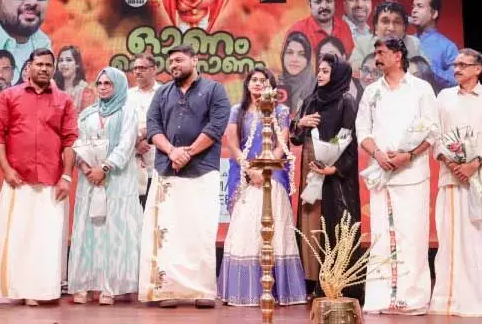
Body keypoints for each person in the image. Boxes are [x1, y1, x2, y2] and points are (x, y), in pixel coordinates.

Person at [138, 45, 231, 309]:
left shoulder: (215, 90)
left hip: (202, 171)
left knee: (200, 231)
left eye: (179, 60)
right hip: (167, 171)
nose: (174, 65)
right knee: (167, 233)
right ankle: (167, 290)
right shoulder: (162, 93)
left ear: (195, 60)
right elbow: (153, 126)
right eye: (171, 62)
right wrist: (172, 151)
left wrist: (188, 153)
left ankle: (202, 291)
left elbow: (216, 127)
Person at [355, 37, 439, 315]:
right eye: (375, 52)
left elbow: (433, 131)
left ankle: (412, 299)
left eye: (381, 52)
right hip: (381, 173)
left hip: (412, 173)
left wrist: (408, 155)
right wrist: (378, 154)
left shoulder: (421, 89)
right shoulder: (371, 91)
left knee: (412, 236)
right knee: (381, 236)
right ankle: (381, 298)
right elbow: (362, 131)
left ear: (398, 56)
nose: (376, 58)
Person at [0, 48, 78, 306]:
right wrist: (6, 170)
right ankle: (18, 289)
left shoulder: (64, 100)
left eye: (48, 65)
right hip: (18, 179)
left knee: (46, 239)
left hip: (51, 180)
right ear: (28, 67)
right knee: (18, 236)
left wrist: (66, 177)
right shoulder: (9, 96)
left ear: (53, 68)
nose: (44, 69)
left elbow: (70, 140)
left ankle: (40, 291)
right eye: (39, 64)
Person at [219, 69, 306, 307]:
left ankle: (277, 291)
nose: (258, 84)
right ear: (247, 84)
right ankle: (245, 291)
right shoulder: (236, 111)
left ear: (271, 87)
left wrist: (265, 170)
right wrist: (250, 170)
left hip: (272, 176)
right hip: (244, 175)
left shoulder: (281, 111)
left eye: (263, 80)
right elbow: (233, 145)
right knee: (245, 229)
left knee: (276, 229)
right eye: (254, 80)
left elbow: (281, 145)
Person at [429, 48, 482, 317]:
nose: (457, 69)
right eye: (455, 65)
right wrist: (453, 164)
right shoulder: (444, 96)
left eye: (463, 64)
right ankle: (448, 301)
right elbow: (436, 135)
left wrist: (474, 164)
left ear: (478, 69)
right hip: (451, 179)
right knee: (450, 240)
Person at [291, 54, 363, 302]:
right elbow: (295, 138)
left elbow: (349, 140)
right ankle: (311, 282)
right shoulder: (311, 99)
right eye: (319, 70)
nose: (320, 75)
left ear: (337, 74)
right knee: (310, 223)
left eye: (325, 71)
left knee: (333, 222)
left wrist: (335, 167)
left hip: (334, 174)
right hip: (311, 167)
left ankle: (335, 284)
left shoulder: (346, 101)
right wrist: (300, 123)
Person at [69, 67, 142, 305]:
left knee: (114, 231)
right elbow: (78, 143)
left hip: (117, 181)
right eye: (99, 83)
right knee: (89, 229)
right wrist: (86, 167)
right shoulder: (87, 114)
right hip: (89, 179)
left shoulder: (128, 113)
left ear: (118, 86)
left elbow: (126, 145)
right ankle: (85, 283)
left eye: (108, 83)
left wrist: (105, 167)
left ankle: (110, 287)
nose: (102, 87)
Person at [349, 0, 427, 74]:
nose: (391, 28)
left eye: (397, 22)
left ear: (404, 28)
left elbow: (425, 73)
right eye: (385, 21)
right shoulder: (362, 44)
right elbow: (355, 71)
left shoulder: (414, 44)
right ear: (376, 27)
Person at [126, 53, 162, 209]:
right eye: (135, 68)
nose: (138, 71)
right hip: (131, 162)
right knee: (132, 213)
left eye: (142, 68)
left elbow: (168, 122)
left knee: (154, 212)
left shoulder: (164, 93)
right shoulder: (127, 96)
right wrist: (136, 142)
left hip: (158, 162)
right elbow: (121, 126)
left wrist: (145, 135)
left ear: (154, 69)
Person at [285, 0, 355, 58]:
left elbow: (348, 58)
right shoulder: (297, 31)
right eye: (318, 2)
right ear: (309, 4)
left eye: (329, 1)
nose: (324, 6)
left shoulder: (344, 27)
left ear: (334, 2)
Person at [410, 0, 458, 88]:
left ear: (434, 14)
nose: (414, 10)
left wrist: (428, 67)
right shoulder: (406, 42)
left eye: (420, 6)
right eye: (413, 6)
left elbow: (455, 80)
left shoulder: (448, 46)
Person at [277, 32, 316, 115]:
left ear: (308, 60)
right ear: (283, 56)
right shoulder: (278, 85)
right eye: (289, 52)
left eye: (301, 54)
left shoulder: (316, 87)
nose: (294, 59)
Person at [55, 45, 94, 113]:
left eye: (68, 60)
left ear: (77, 64)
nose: (63, 64)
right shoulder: (54, 88)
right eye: (60, 60)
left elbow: (87, 117)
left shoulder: (85, 90)